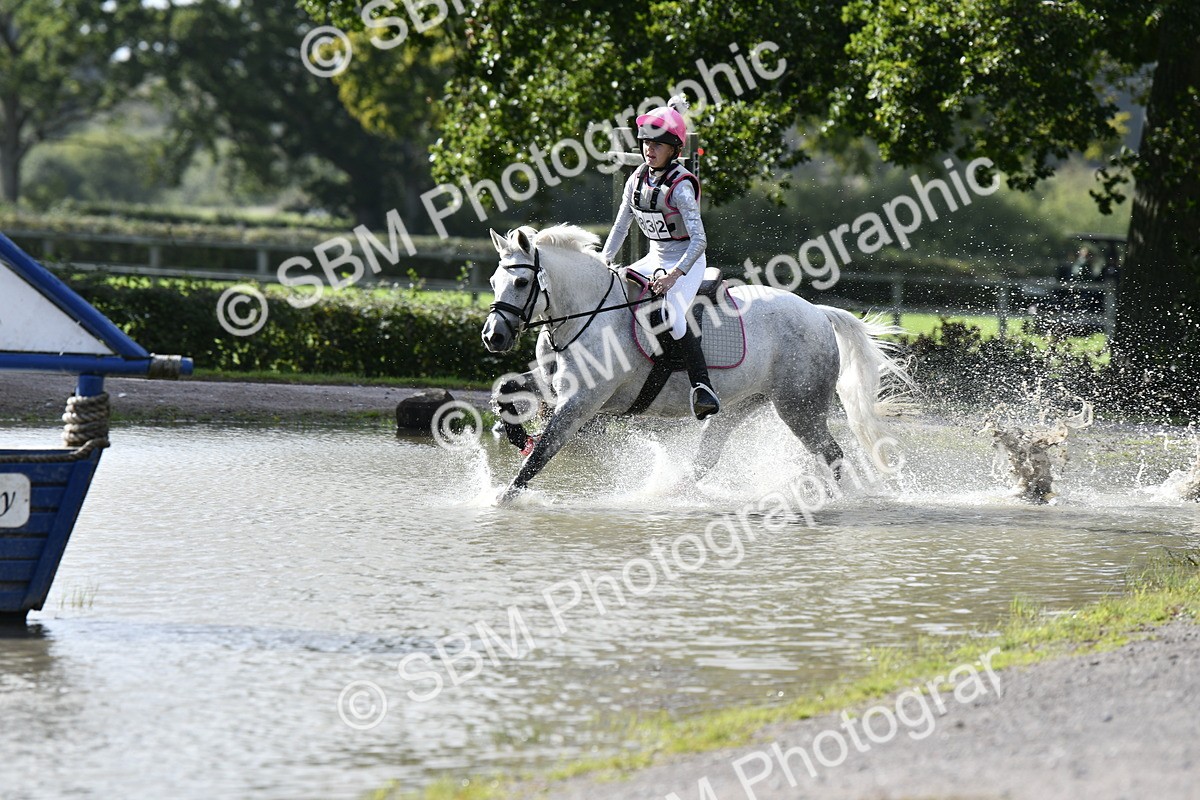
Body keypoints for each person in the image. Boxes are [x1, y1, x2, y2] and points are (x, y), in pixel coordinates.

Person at [601, 94, 719, 420]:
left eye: (658, 145)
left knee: (672, 313)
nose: (649, 150)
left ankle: (702, 387)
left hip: (687, 261)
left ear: (675, 151)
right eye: (646, 143)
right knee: (614, 289)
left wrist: (674, 275)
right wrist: (602, 264)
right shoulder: (636, 179)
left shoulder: (680, 187)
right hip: (655, 257)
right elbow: (620, 227)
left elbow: (699, 240)